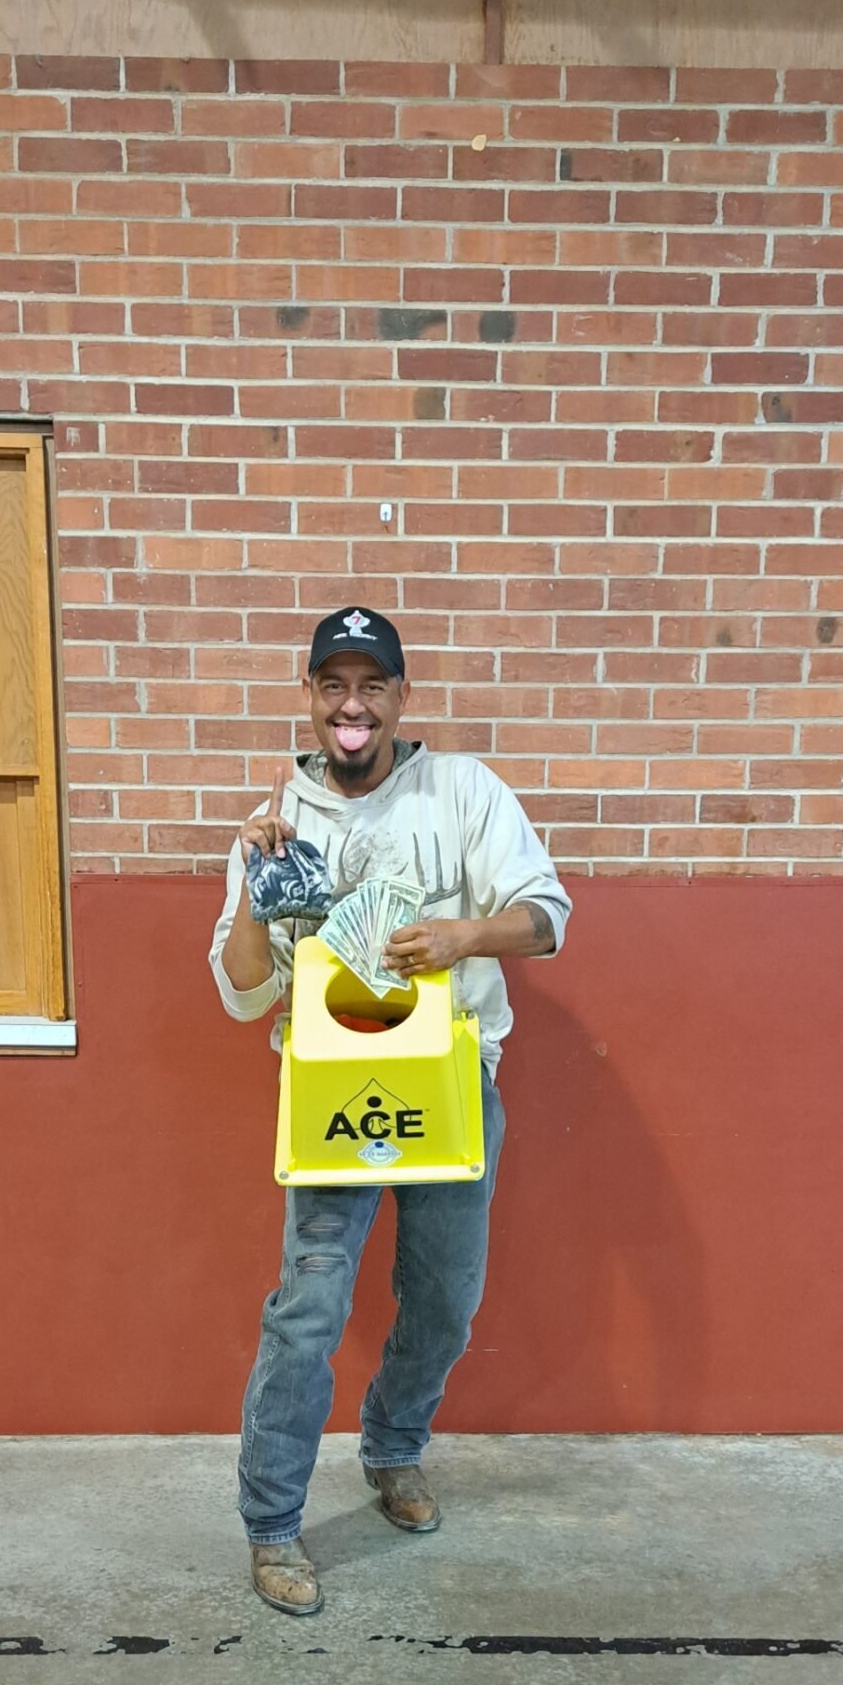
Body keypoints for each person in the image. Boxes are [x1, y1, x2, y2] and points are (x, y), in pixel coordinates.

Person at [209, 606, 572, 1617]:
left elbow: (547, 917)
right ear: (310, 696)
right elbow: (241, 993)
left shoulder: (462, 790)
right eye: (334, 685)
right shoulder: (277, 817)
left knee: (445, 1298)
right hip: (331, 1094)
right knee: (309, 1309)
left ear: (400, 697)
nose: (352, 705)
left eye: (372, 686)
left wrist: (461, 936)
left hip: (450, 1088)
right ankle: (271, 1524)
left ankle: (393, 1447)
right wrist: (256, 883)